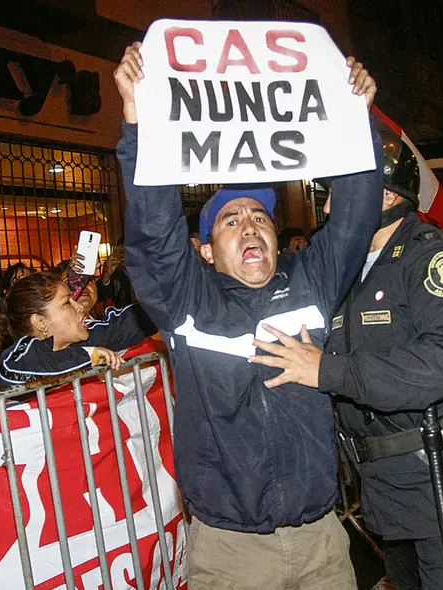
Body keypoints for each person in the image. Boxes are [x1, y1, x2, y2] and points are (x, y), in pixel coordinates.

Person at [114, 42, 381, 588]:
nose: (249, 226)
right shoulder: (188, 302)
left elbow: (355, 217)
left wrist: (358, 118)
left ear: (276, 238)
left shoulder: (312, 283)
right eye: (230, 220)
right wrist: (139, 123)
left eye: (259, 216)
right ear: (206, 250)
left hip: (322, 542)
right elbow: (154, 235)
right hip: (231, 552)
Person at [252, 146, 443, 589]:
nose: (325, 207)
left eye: (338, 193)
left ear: (384, 196)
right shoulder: (354, 270)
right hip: (391, 488)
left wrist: (329, 372)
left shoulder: (433, 258)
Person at [0, 271, 149, 388]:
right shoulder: (21, 357)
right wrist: (89, 356)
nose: (79, 307)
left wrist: (166, 301)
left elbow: (126, 324)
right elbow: (8, 374)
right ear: (41, 322)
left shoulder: (85, 338)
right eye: (67, 303)